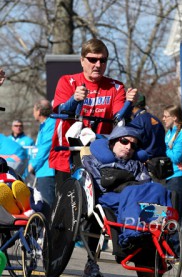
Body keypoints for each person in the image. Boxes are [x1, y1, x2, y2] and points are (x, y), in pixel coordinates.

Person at [81, 126, 172, 277]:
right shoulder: (93, 159)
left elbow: (145, 184)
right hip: (109, 197)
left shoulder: (136, 164)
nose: (129, 147)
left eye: (133, 145)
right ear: (112, 142)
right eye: (124, 141)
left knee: (158, 188)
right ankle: (131, 236)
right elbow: (98, 185)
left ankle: (166, 228)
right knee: (132, 193)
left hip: (135, 200)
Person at [49, 38, 137, 194]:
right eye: (92, 59)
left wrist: (129, 104)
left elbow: (119, 119)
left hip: (98, 157)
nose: (98, 65)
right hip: (67, 155)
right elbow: (61, 111)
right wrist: (74, 99)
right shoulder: (67, 81)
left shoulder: (116, 87)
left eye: (102, 60)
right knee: (67, 207)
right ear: (82, 60)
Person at [162, 104, 182, 219]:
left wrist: (164, 148)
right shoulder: (169, 133)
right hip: (168, 177)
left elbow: (175, 158)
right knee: (166, 216)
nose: (163, 119)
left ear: (174, 117)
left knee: (173, 216)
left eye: (166, 116)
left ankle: (175, 237)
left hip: (178, 178)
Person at [28, 99, 56, 209]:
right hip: (42, 171)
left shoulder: (51, 124)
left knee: (47, 206)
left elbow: (45, 148)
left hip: (47, 171)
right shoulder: (44, 125)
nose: (33, 113)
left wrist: (33, 164)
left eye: (34, 110)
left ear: (39, 111)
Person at [128, 93, 166, 159]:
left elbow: (132, 145)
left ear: (132, 106)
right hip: (160, 161)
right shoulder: (155, 119)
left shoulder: (137, 122)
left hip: (146, 162)